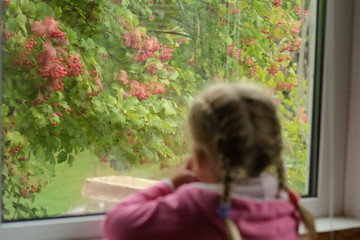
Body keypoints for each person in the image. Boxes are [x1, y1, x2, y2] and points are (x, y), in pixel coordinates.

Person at [102, 83, 317, 240]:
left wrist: (171, 185)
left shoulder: (195, 205)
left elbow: (115, 225)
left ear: (200, 157)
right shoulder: (286, 204)